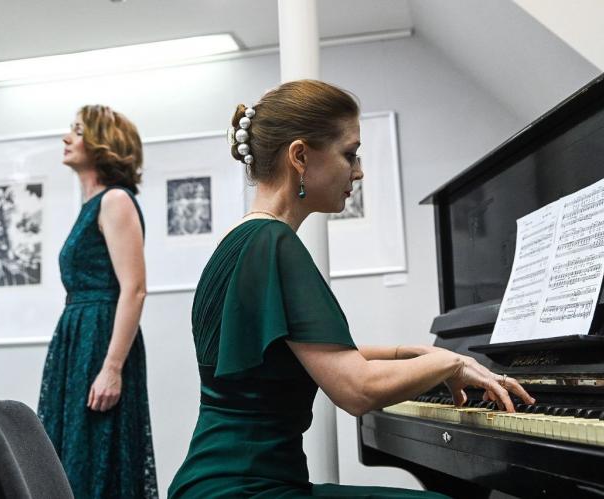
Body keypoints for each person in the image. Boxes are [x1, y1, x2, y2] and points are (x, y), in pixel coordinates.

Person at [168, 80, 535, 498]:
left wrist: (409, 353)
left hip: (212, 483)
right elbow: (358, 390)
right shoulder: (274, 244)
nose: (358, 171)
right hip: (249, 489)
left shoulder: (239, 241)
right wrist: (450, 363)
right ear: (300, 156)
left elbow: (290, 357)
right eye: (350, 154)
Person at [38, 105, 158, 499]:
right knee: (74, 452)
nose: (66, 137)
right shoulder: (92, 205)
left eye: (77, 131)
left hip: (100, 340)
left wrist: (111, 368)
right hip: (78, 339)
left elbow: (134, 288)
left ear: (102, 142)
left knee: (97, 451)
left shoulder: (115, 200)